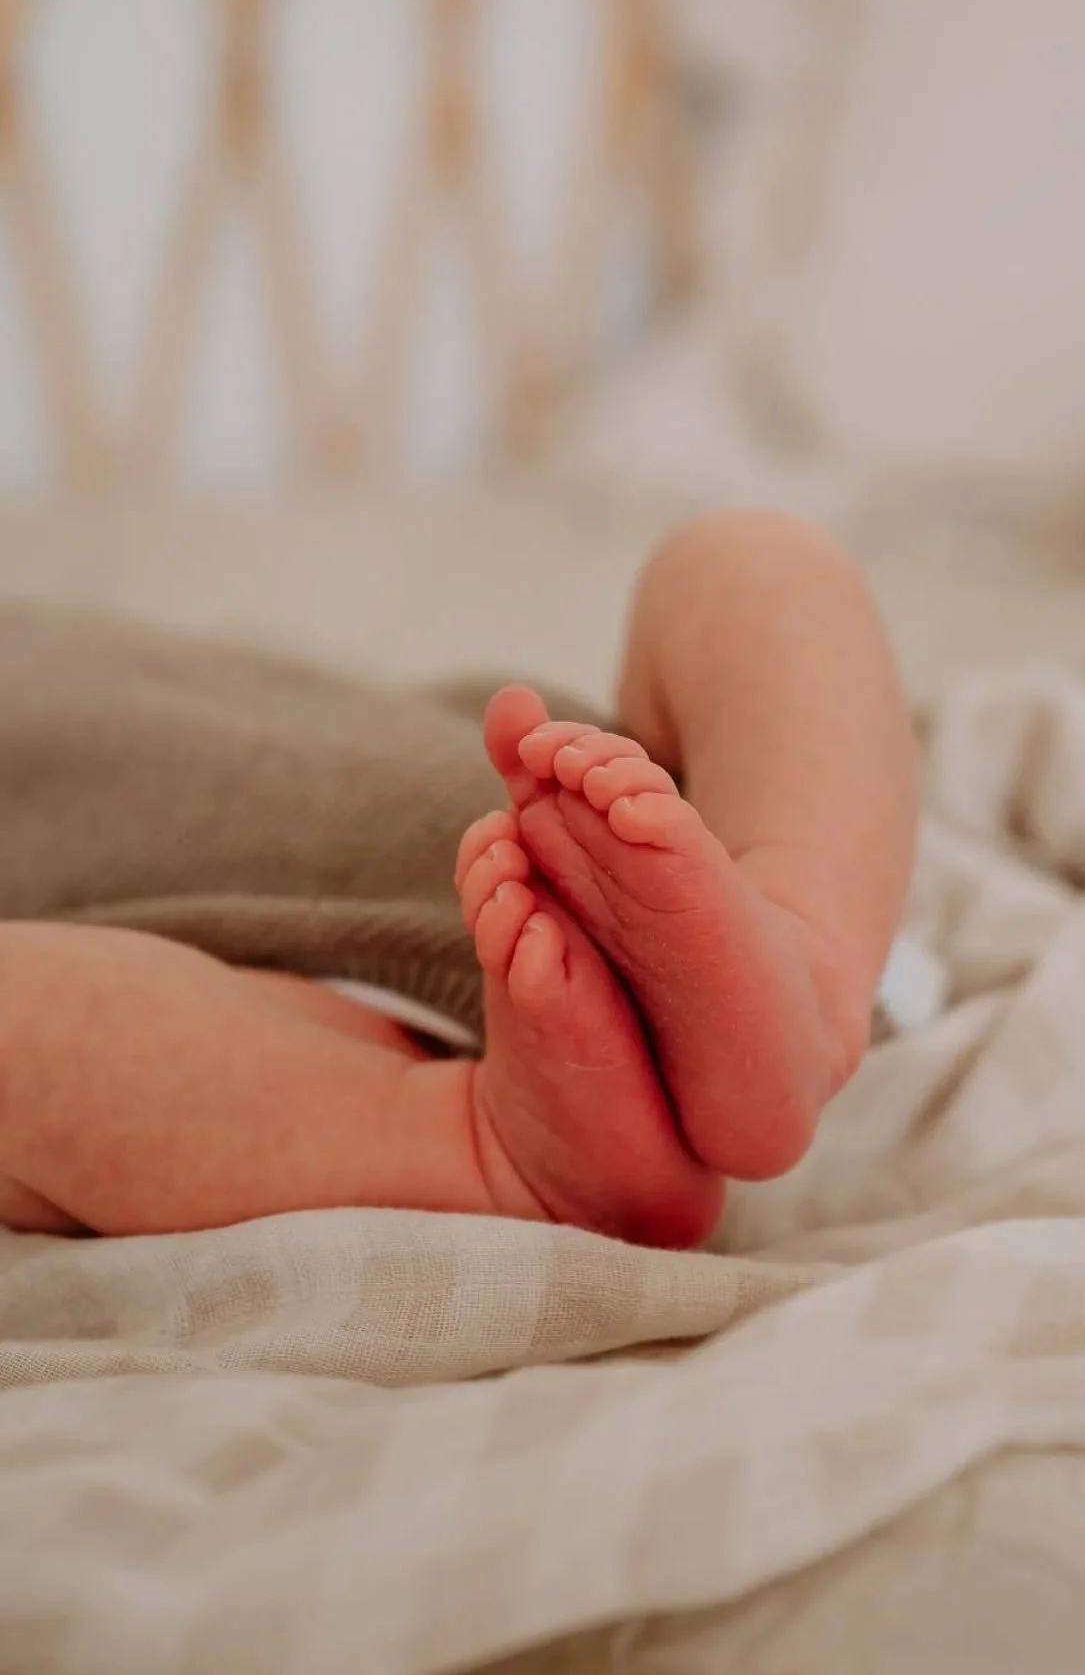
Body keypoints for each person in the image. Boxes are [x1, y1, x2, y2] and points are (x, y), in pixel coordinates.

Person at [0, 511, 919, 1245]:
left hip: (636, 832)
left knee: (745, 560)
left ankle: (799, 969)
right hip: (295, 1001)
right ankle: (489, 1150)